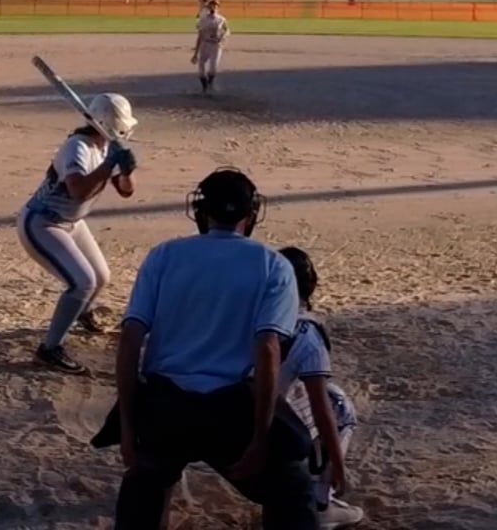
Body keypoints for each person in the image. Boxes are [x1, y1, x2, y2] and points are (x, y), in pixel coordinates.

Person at [107, 167, 317, 530]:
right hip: (231, 407)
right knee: (292, 484)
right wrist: (260, 436)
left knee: (146, 479)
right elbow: (267, 350)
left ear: (201, 211)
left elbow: (130, 339)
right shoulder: (273, 265)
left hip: (166, 404)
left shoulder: (164, 255)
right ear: (252, 214)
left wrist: (127, 426)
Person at [18, 92, 139, 375]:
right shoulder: (77, 147)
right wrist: (109, 165)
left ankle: (81, 311)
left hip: (72, 222)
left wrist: (127, 170)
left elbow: (126, 191)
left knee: (101, 277)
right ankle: (49, 349)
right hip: (42, 223)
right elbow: (79, 191)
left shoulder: (106, 147)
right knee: (82, 282)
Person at [276, 247, 364, 527]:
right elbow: (320, 407)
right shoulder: (307, 330)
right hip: (260, 422)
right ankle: (320, 501)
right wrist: (338, 464)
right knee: (338, 405)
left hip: (216, 405)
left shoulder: (248, 312)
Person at [193, 0, 231, 94]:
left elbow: (227, 30)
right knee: (201, 67)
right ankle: (204, 87)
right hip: (205, 44)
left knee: (213, 68)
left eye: (215, 6)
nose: (213, 7)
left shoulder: (221, 19)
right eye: (211, 5)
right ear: (208, 7)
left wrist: (223, 36)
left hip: (216, 45)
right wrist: (195, 54)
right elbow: (200, 35)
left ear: (218, 8)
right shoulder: (203, 19)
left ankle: (210, 84)